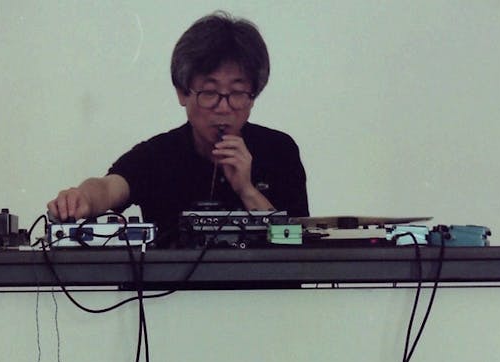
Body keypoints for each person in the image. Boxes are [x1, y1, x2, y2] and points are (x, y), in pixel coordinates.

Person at [47, 11, 309, 246]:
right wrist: (81, 197)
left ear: (253, 96)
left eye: (238, 93)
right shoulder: (158, 154)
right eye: (209, 92)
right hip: (173, 299)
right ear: (182, 92)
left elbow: (297, 242)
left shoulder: (279, 150)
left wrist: (247, 190)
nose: (223, 107)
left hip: (266, 298)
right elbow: (108, 188)